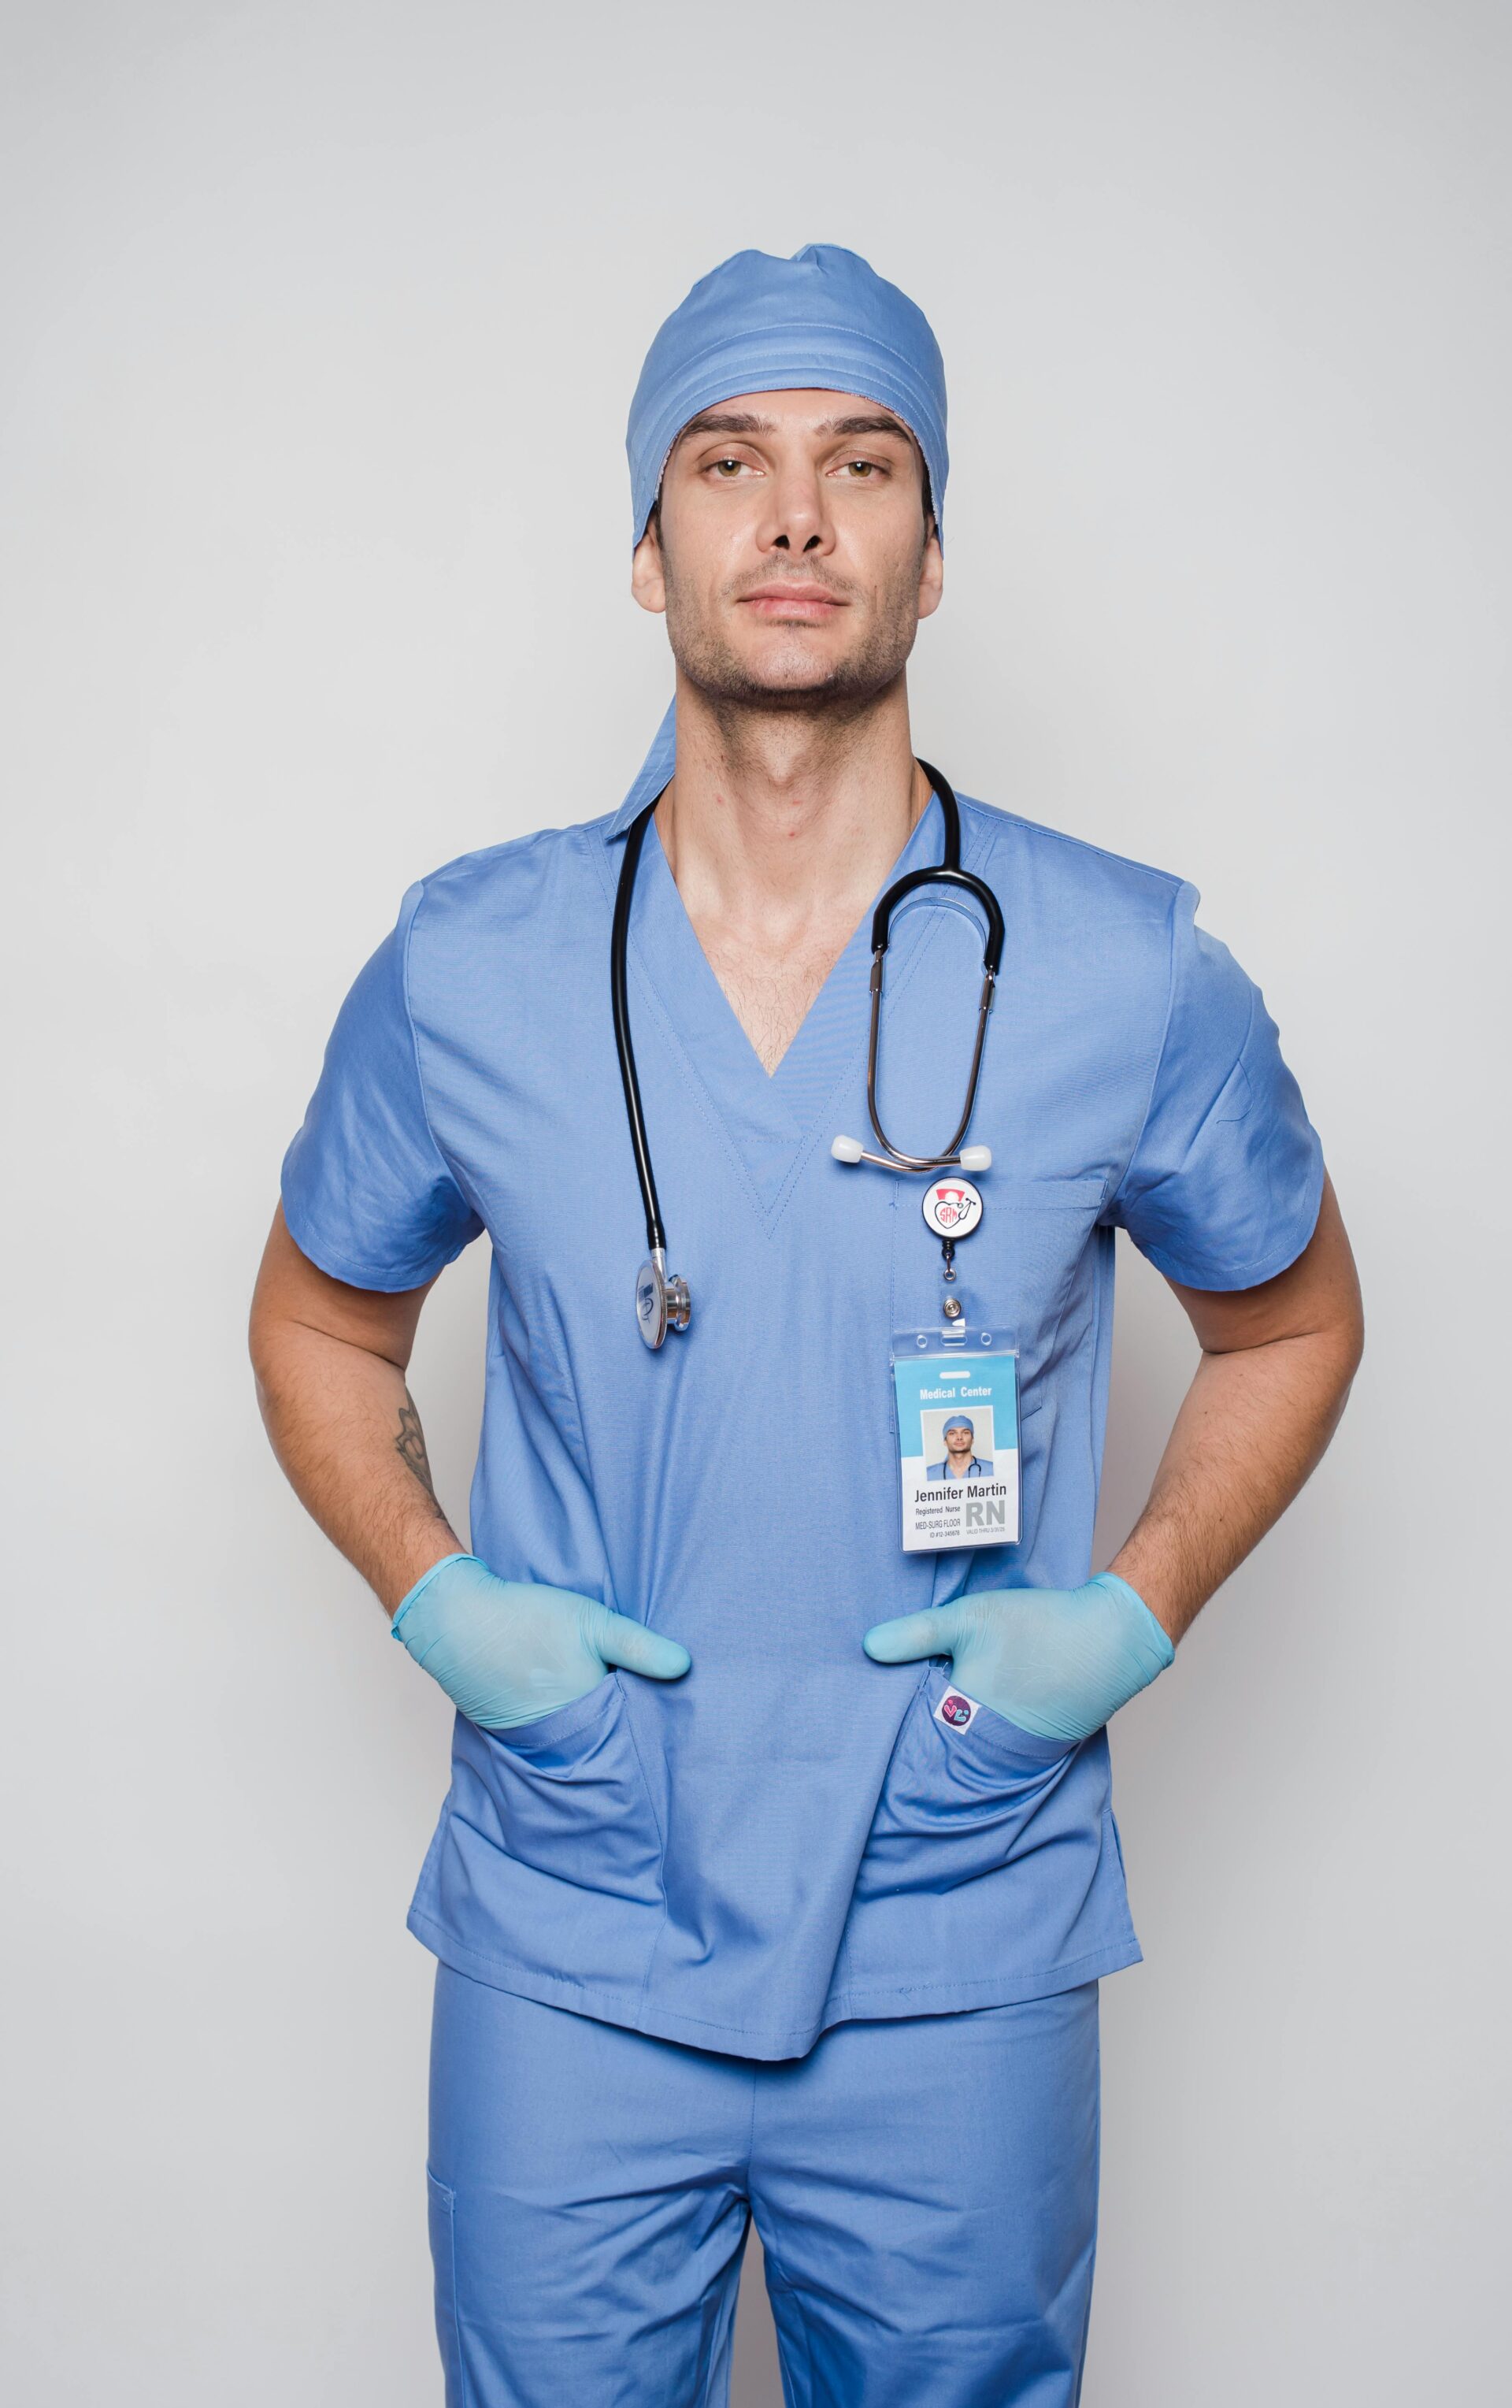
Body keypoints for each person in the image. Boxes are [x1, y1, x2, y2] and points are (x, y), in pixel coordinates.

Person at [249, 244, 1363, 2408]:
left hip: (957, 1916)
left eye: (862, 465)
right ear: (645, 544)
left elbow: (1294, 1323)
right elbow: (313, 1321)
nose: (792, 514)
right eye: (727, 460)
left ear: (932, 557)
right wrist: (440, 1597)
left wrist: (1122, 1622)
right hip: (579, 1911)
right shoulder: (474, 965)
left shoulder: (1126, 971)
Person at [927, 1415, 994, 1481]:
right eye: (952, 1433)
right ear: (945, 1441)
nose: (959, 1437)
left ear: (972, 1440)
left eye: (965, 1433)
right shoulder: (929, 1474)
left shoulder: (992, 1469)